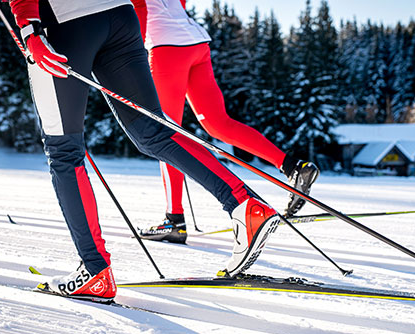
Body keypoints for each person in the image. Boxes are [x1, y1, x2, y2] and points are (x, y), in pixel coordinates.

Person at [1, 0, 280, 301]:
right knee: (153, 131)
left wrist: (30, 29)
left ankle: (94, 271)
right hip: (121, 16)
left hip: (62, 24)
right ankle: (244, 204)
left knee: (64, 151)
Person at [132, 0, 320, 245]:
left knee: (166, 135)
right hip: (196, 42)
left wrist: (129, 59)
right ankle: (293, 166)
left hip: (166, 47)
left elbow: (140, 9)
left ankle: (174, 220)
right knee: (218, 124)